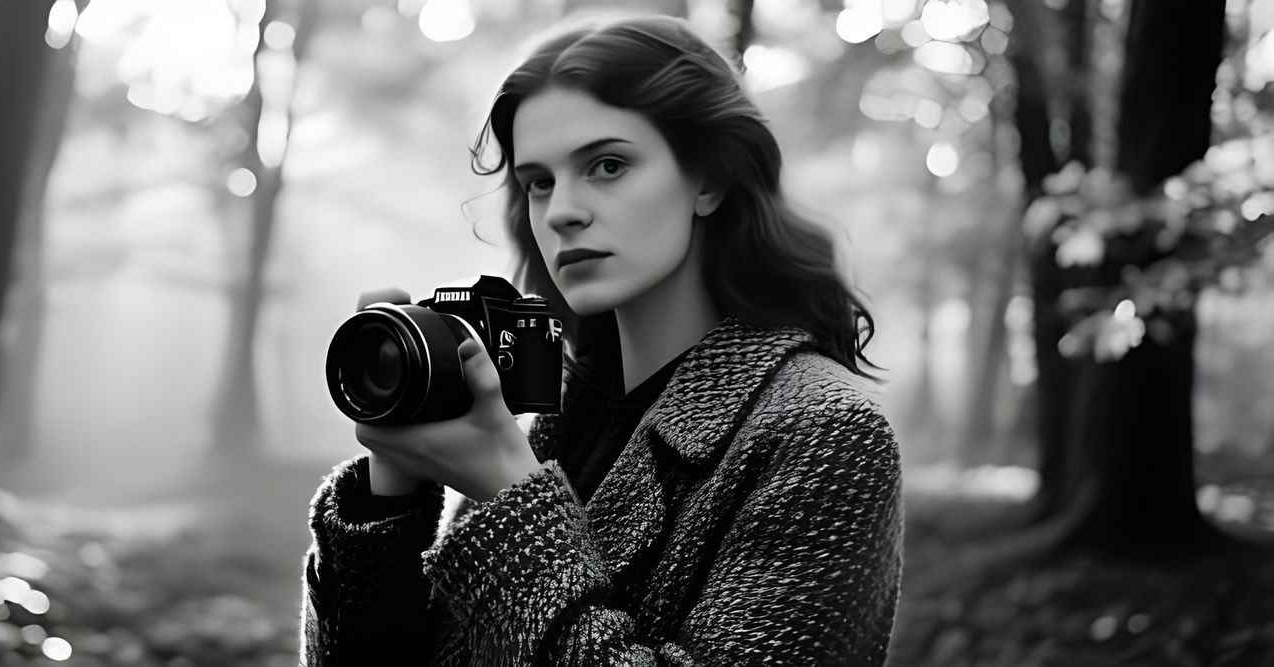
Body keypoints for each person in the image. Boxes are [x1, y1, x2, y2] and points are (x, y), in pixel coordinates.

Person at [299, 13, 903, 666]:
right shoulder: (546, 416)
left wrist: (511, 500)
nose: (561, 210)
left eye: (607, 165)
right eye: (539, 182)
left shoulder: (824, 432)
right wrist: (395, 494)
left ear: (708, 179)